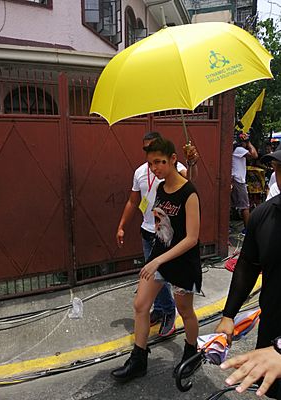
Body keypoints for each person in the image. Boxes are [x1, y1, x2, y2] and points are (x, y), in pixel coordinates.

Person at [111, 137, 202, 383]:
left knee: (185, 310)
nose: (155, 168)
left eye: (160, 162)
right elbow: (162, 227)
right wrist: (155, 256)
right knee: (141, 305)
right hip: (160, 256)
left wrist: (158, 261)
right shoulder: (161, 189)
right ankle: (139, 360)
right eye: (151, 164)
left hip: (182, 261)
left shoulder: (189, 193)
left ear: (174, 159)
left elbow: (192, 238)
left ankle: (191, 353)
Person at [216, 146, 281, 398]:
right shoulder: (263, 216)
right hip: (272, 328)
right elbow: (247, 267)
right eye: (279, 169)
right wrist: (228, 315)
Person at [231, 131, 258, 230]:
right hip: (238, 180)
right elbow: (254, 155)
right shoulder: (239, 149)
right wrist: (249, 143)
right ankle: (248, 230)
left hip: (235, 179)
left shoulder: (236, 150)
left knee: (235, 205)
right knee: (245, 206)